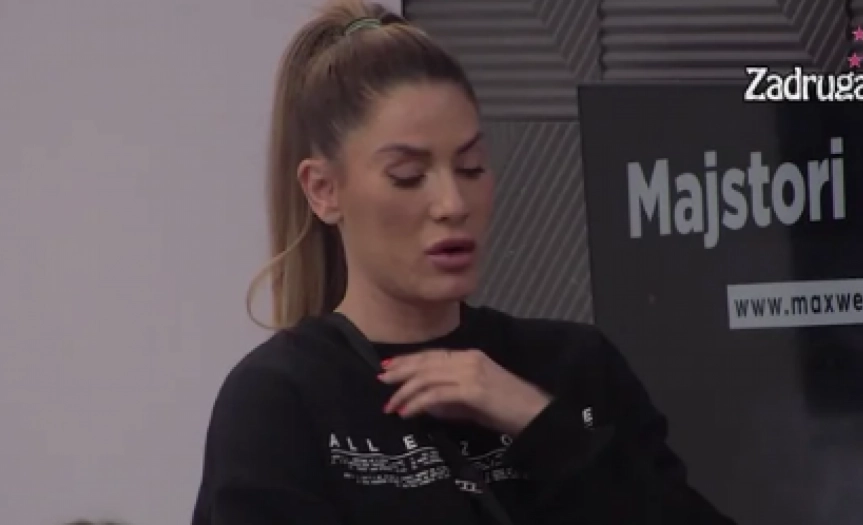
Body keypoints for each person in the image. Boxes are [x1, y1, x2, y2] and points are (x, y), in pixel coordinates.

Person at [191, 1, 736, 524]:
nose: (453, 204)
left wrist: (538, 421)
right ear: (324, 190)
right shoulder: (282, 401)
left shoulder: (578, 367)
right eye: (408, 176)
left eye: (471, 167)